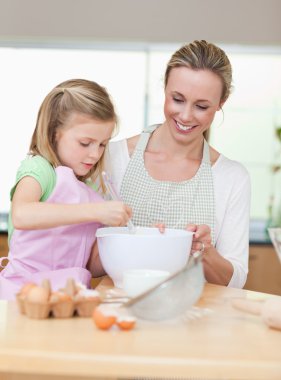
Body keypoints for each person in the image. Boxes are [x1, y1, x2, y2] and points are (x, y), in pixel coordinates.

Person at [106, 40, 251, 288]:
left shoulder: (232, 176)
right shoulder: (111, 157)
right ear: (165, 89)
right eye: (177, 99)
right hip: (120, 315)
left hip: (196, 319)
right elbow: (86, 260)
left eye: (202, 106)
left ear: (221, 103)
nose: (185, 116)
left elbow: (235, 281)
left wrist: (205, 252)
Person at [0, 79, 132, 299]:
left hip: (69, 296)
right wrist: (96, 212)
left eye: (102, 144)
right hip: (23, 295)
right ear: (55, 134)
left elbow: (89, 265)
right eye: (85, 143)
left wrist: (129, 243)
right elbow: (22, 214)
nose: (95, 154)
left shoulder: (89, 189)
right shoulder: (40, 169)